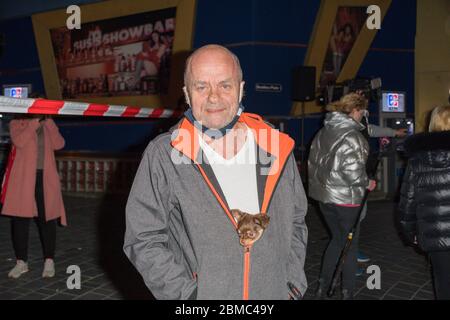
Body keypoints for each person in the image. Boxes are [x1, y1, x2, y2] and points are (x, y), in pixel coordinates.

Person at [123, 44, 308, 300]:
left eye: (225, 85)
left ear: (241, 89)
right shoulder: (164, 155)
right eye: (201, 86)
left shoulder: (276, 147)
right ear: (187, 94)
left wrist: (291, 285)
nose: (213, 97)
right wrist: (188, 296)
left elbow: (297, 221)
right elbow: (143, 238)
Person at [308, 93, 376, 299]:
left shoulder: (323, 132)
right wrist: (367, 182)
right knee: (350, 245)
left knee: (337, 241)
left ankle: (322, 285)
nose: (363, 116)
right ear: (355, 110)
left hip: (323, 197)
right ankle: (348, 291)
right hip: (346, 200)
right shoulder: (353, 137)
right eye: (362, 112)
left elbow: (314, 164)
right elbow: (353, 172)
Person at [1, 111, 67, 279]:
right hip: (22, 178)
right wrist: (36, 122)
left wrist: (49, 122)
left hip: (44, 178)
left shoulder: (47, 124)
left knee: (48, 219)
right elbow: (19, 141)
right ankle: (21, 262)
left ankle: (49, 260)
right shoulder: (18, 123)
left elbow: (59, 144)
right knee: (20, 220)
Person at [398, 105, 450, 300]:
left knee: (443, 282)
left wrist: (412, 234)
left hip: (435, 236)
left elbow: (407, 203)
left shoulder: (417, 159)